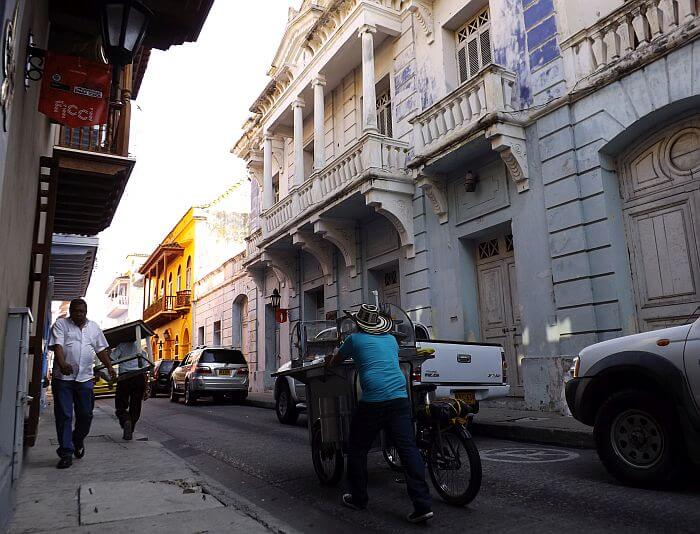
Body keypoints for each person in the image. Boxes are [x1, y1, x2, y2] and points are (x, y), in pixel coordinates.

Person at [326, 304, 433, 523]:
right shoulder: (391, 340)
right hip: (400, 398)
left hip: (373, 401)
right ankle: (422, 505)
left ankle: (358, 498)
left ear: (359, 324)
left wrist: (332, 358)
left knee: (357, 448)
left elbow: (335, 362)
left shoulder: (354, 340)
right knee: (408, 449)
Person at [49, 298, 116, 469]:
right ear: (71, 311)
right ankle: (65, 453)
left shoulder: (93, 327)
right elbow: (58, 346)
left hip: (85, 378)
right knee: (64, 416)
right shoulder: (61, 324)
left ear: (86, 312)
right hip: (63, 379)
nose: (79, 314)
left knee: (86, 415)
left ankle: (77, 440)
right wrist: (62, 364)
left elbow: (101, 349)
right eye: (76, 311)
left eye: (82, 311)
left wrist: (110, 367)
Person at [111, 340, 152, 440]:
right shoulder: (139, 348)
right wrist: (146, 387)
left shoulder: (121, 345)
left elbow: (111, 358)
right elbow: (145, 369)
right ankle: (130, 429)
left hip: (125, 378)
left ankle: (125, 420)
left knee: (120, 405)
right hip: (139, 378)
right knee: (136, 406)